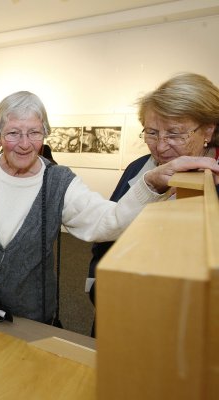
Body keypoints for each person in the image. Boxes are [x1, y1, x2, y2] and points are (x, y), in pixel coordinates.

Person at [0, 90, 219, 325]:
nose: (24, 144)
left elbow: (108, 221)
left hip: (31, 316)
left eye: (34, 132)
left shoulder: (59, 181)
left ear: (45, 134)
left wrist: (151, 182)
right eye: (13, 133)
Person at [87, 72, 219, 335]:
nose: (160, 146)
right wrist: (98, 287)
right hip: (122, 306)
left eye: (175, 134)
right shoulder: (138, 168)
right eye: (152, 133)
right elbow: (108, 233)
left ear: (208, 129)